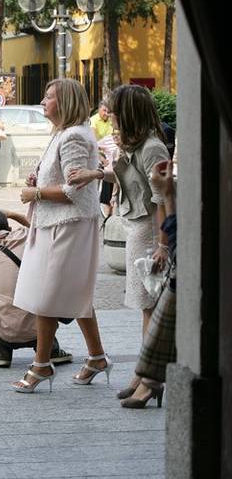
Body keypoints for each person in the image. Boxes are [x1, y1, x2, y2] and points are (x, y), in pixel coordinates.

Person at [68, 84, 171, 400]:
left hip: (149, 229)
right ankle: (144, 374)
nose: (108, 117)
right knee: (145, 306)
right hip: (137, 226)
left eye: (113, 112)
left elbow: (162, 198)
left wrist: (163, 245)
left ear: (127, 114)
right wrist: (94, 174)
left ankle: (150, 379)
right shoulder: (134, 145)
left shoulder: (153, 148)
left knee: (149, 306)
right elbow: (126, 177)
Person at [11, 78, 109, 393]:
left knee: (48, 295)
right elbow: (67, 178)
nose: (43, 100)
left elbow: (73, 191)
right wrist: (40, 177)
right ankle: (96, 357)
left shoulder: (73, 138)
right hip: (58, 224)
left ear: (64, 102)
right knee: (72, 293)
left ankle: (42, 365)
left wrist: (35, 191)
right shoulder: (66, 134)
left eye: (49, 96)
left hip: (66, 225)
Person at [0, 209, 71, 367]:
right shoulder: (26, 235)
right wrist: (15, 215)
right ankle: (51, 349)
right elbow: (41, 228)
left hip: (5, 331)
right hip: (43, 327)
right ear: (8, 229)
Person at [120, 158, 176, 409]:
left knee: (164, 309)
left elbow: (173, 227)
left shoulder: (151, 149)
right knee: (159, 308)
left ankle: (149, 381)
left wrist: (167, 193)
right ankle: (147, 380)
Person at [90, 101, 116, 216]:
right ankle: (103, 200)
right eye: (104, 110)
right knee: (106, 167)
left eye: (108, 111)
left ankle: (112, 199)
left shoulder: (111, 120)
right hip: (97, 152)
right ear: (99, 110)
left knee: (114, 164)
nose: (106, 113)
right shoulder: (93, 121)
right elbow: (93, 144)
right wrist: (101, 158)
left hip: (109, 151)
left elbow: (114, 138)